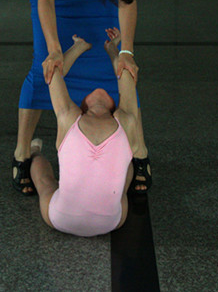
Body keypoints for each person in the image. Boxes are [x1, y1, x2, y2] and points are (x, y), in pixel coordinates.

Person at [13, 0, 151, 196]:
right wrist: (54, 49)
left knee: (118, 69)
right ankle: (21, 152)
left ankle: (138, 151)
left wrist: (127, 51)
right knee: (45, 68)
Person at [29, 28, 144, 236]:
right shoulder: (126, 123)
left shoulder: (69, 118)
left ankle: (34, 152)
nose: (98, 90)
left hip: (61, 217)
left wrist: (76, 49)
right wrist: (114, 50)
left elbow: (53, 72)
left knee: (44, 181)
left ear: (83, 105)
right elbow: (126, 71)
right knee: (127, 170)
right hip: (111, 222)